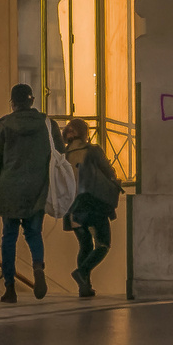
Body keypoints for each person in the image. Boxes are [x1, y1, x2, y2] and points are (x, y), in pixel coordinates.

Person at [0, 84, 55, 303]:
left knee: (9, 237)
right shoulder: (47, 124)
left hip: (9, 189)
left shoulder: (3, 125)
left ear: (12, 103)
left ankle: (10, 287)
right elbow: (59, 153)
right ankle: (38, 267)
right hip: (37, 188)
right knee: (34, 233)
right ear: (32, 101)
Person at [61, 119, 120, 299]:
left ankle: (84, 288)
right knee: (103, 244)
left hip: (72, 207)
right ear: (85, 132)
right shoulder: (93, 151)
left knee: (84, 245)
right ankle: (82, 272)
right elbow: (110, 172)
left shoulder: (63, 155)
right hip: (93, 205)